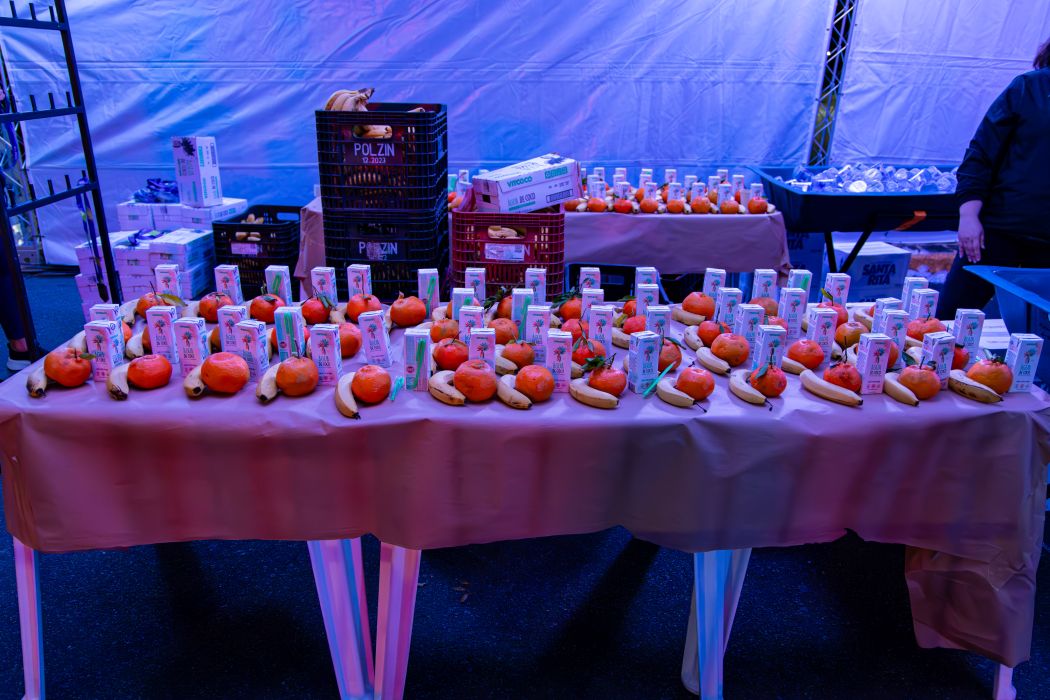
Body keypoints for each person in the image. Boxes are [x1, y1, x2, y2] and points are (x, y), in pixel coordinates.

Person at [939, 37, 1050, 318]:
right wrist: (968, 216)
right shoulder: (1028, 87)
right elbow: (981, 153)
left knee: (1039, 335)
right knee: (949, 321)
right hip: (997, 231)